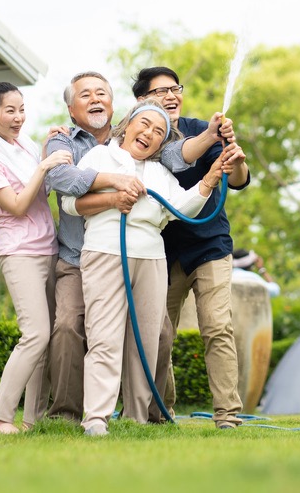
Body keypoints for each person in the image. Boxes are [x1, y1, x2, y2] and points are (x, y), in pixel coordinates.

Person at [43, 72, 236, 423]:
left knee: (147, 343)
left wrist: (209, 179)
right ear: (127, 125)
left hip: (152, 259)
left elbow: (180, 208)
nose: (148, 134)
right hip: (104, 254)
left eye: (158, 132)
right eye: (143, 125)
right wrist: (113, 197)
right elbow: (70, 204)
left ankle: (137, 417)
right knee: (104, 337)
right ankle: (95, 419)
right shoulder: (99, 157)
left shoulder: (160, 171)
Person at [131, 66, 251, 430]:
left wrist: (238, 161)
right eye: (160, 91)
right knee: (157, 332)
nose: (171, 96)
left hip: (209, 244)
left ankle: (227, 415)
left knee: (217, 326)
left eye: (175, 88)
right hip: (161, 251)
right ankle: (161, 411)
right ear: (141, 101)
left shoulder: (202, 127)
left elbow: (240, 181)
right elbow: (179, 154)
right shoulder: (144, 139)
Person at [0, 82, 73, 435]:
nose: (18, 117)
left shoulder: (24, 144)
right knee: (35, 334)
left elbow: (40, 179)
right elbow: (16, 204)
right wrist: (43, 166)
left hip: (49, 248)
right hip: (20, 253)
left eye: (22, 109)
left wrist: (47, 143)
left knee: (46, 340)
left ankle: (32, 420)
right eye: (10, 111)